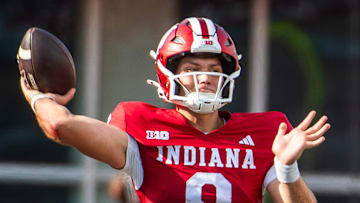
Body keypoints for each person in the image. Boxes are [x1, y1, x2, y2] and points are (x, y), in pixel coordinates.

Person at [20, 17, 330, 202]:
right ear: (167, 74)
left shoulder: (267, 133)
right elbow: (61, 127)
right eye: (193, 67)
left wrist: (288, 168)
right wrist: (37, 95)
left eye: (213, 68)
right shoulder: (139, 123)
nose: (205, 77)